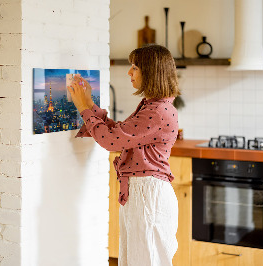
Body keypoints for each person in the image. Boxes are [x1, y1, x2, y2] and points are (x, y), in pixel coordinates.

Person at [68, 44, 180, 266]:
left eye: (135, 67)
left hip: (148, 195)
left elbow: (111, 141)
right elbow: (119, 133)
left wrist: (83, 107)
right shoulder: (153, 106)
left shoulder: (157, 111)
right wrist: (89, 104)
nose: (129, 72)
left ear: (151, 72)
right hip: (143, 193)